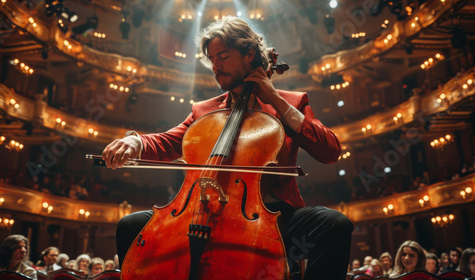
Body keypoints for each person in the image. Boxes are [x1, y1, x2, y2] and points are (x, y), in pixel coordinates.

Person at [102, 16, 353, 280]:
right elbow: (169, 141)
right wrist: (135, 141)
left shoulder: (291, 102)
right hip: (203, 214)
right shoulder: (204, 110)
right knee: (131, 226)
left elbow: (329, 151)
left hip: (270, 218)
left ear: (249, 55)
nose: (215, 66)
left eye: (223, 56)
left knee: (334, 224)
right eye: (211, 59)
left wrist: (276, 101)